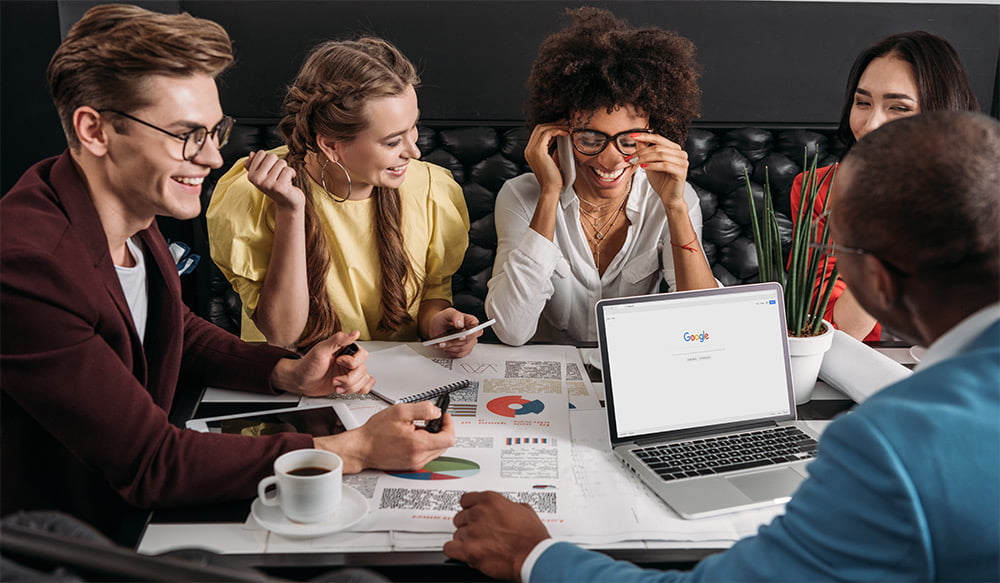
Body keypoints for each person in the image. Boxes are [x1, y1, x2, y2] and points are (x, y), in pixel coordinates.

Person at [444, 111, 999, 581]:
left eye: (836, 242)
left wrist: (534, 556)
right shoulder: (526, 193)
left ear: (873, 278)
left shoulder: (891, 445)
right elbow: (512, 325)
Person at [0, 4, 454, 538]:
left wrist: (283, 371)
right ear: (95, 130)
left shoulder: (126, 209)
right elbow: (151, 462)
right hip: (73, 536)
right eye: (188, 134)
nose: (214, 158)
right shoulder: (29, 266)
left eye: (216, 132)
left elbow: (175, 330)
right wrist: (353, 449)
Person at [206, 38, 480, 357]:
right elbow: (280, 334)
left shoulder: (432, 188)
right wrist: (291, 211)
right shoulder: (251, 195)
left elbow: (432, 295)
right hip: (293, 375)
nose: (414, 151)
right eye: (392, 142)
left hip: (390, 381)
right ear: (332, 145)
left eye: (414, 127)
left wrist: (438, 323)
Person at [484, 8, 717, 347]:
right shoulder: (520, 196)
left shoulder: (675, 199)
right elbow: (511, 330)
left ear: (656, 134)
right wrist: (550, 193)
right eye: (591, 139)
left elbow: (705, 324)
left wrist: (676, 208)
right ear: (561, 133)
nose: (611, 158)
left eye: (631, 140)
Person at [790, 31, 979, 341]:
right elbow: (842, 331)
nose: (870, 124)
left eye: (899, 108)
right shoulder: (820, 189)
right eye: (863, 103)